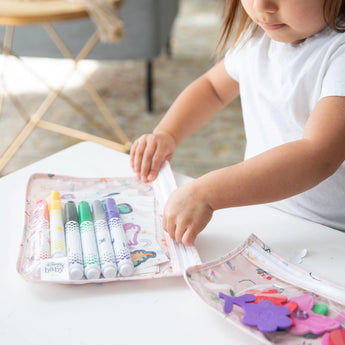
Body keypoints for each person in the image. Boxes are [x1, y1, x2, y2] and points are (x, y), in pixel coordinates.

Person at [130, 0, 345, 246]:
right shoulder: (258, 36)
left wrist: (208, 193)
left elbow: (319, 155)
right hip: (265, 214)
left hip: (332, 235)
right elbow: (212, 88)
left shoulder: (339, 53)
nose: (262, 5)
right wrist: (167, 132)